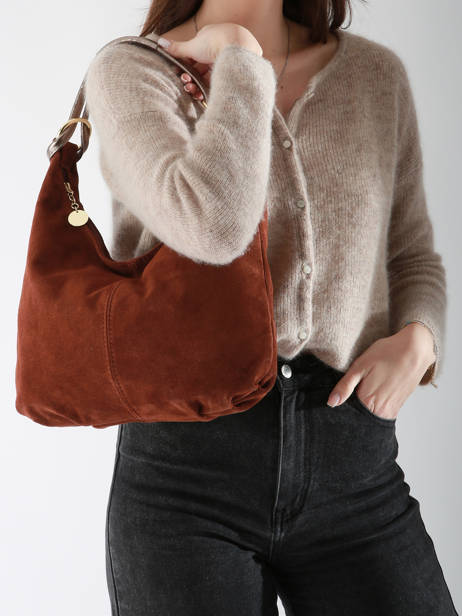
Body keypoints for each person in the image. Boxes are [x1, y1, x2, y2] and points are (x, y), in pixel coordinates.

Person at [84, 1, 458, 614]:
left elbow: (411, 253)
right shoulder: (134, 71)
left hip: (352, 464)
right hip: (187, 478)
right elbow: (213, 227)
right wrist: (238, 58)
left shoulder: (374, 75)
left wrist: (421, 337)